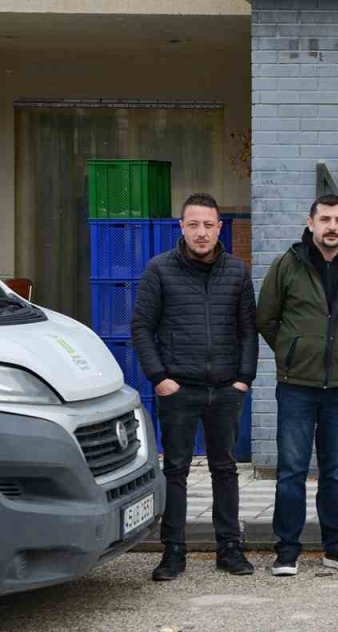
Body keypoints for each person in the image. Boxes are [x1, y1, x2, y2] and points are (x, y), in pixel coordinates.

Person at [131, 193, 257, 581]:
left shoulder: (236, 272)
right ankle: (174, 552)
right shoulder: (159, 270)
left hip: (224, 389)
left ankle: (229, 548)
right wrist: (160, 378)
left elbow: (248, 331)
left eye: (208, 225)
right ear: (181, 228)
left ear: (220, 228)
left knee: (225, 468)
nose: (201, 233)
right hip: (178, 388)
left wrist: (242, 379)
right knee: (177, 471)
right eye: (193, 225)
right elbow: (141, 328)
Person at [256, 193, 338, 577]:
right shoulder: (287, 265)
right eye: (325, 219)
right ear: (310, 223)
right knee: (291, 469)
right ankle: (287, 549)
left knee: (336, 471)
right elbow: (266, 318)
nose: (332, 227)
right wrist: (293, 352)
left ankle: (335, 546)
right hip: (296, 386)